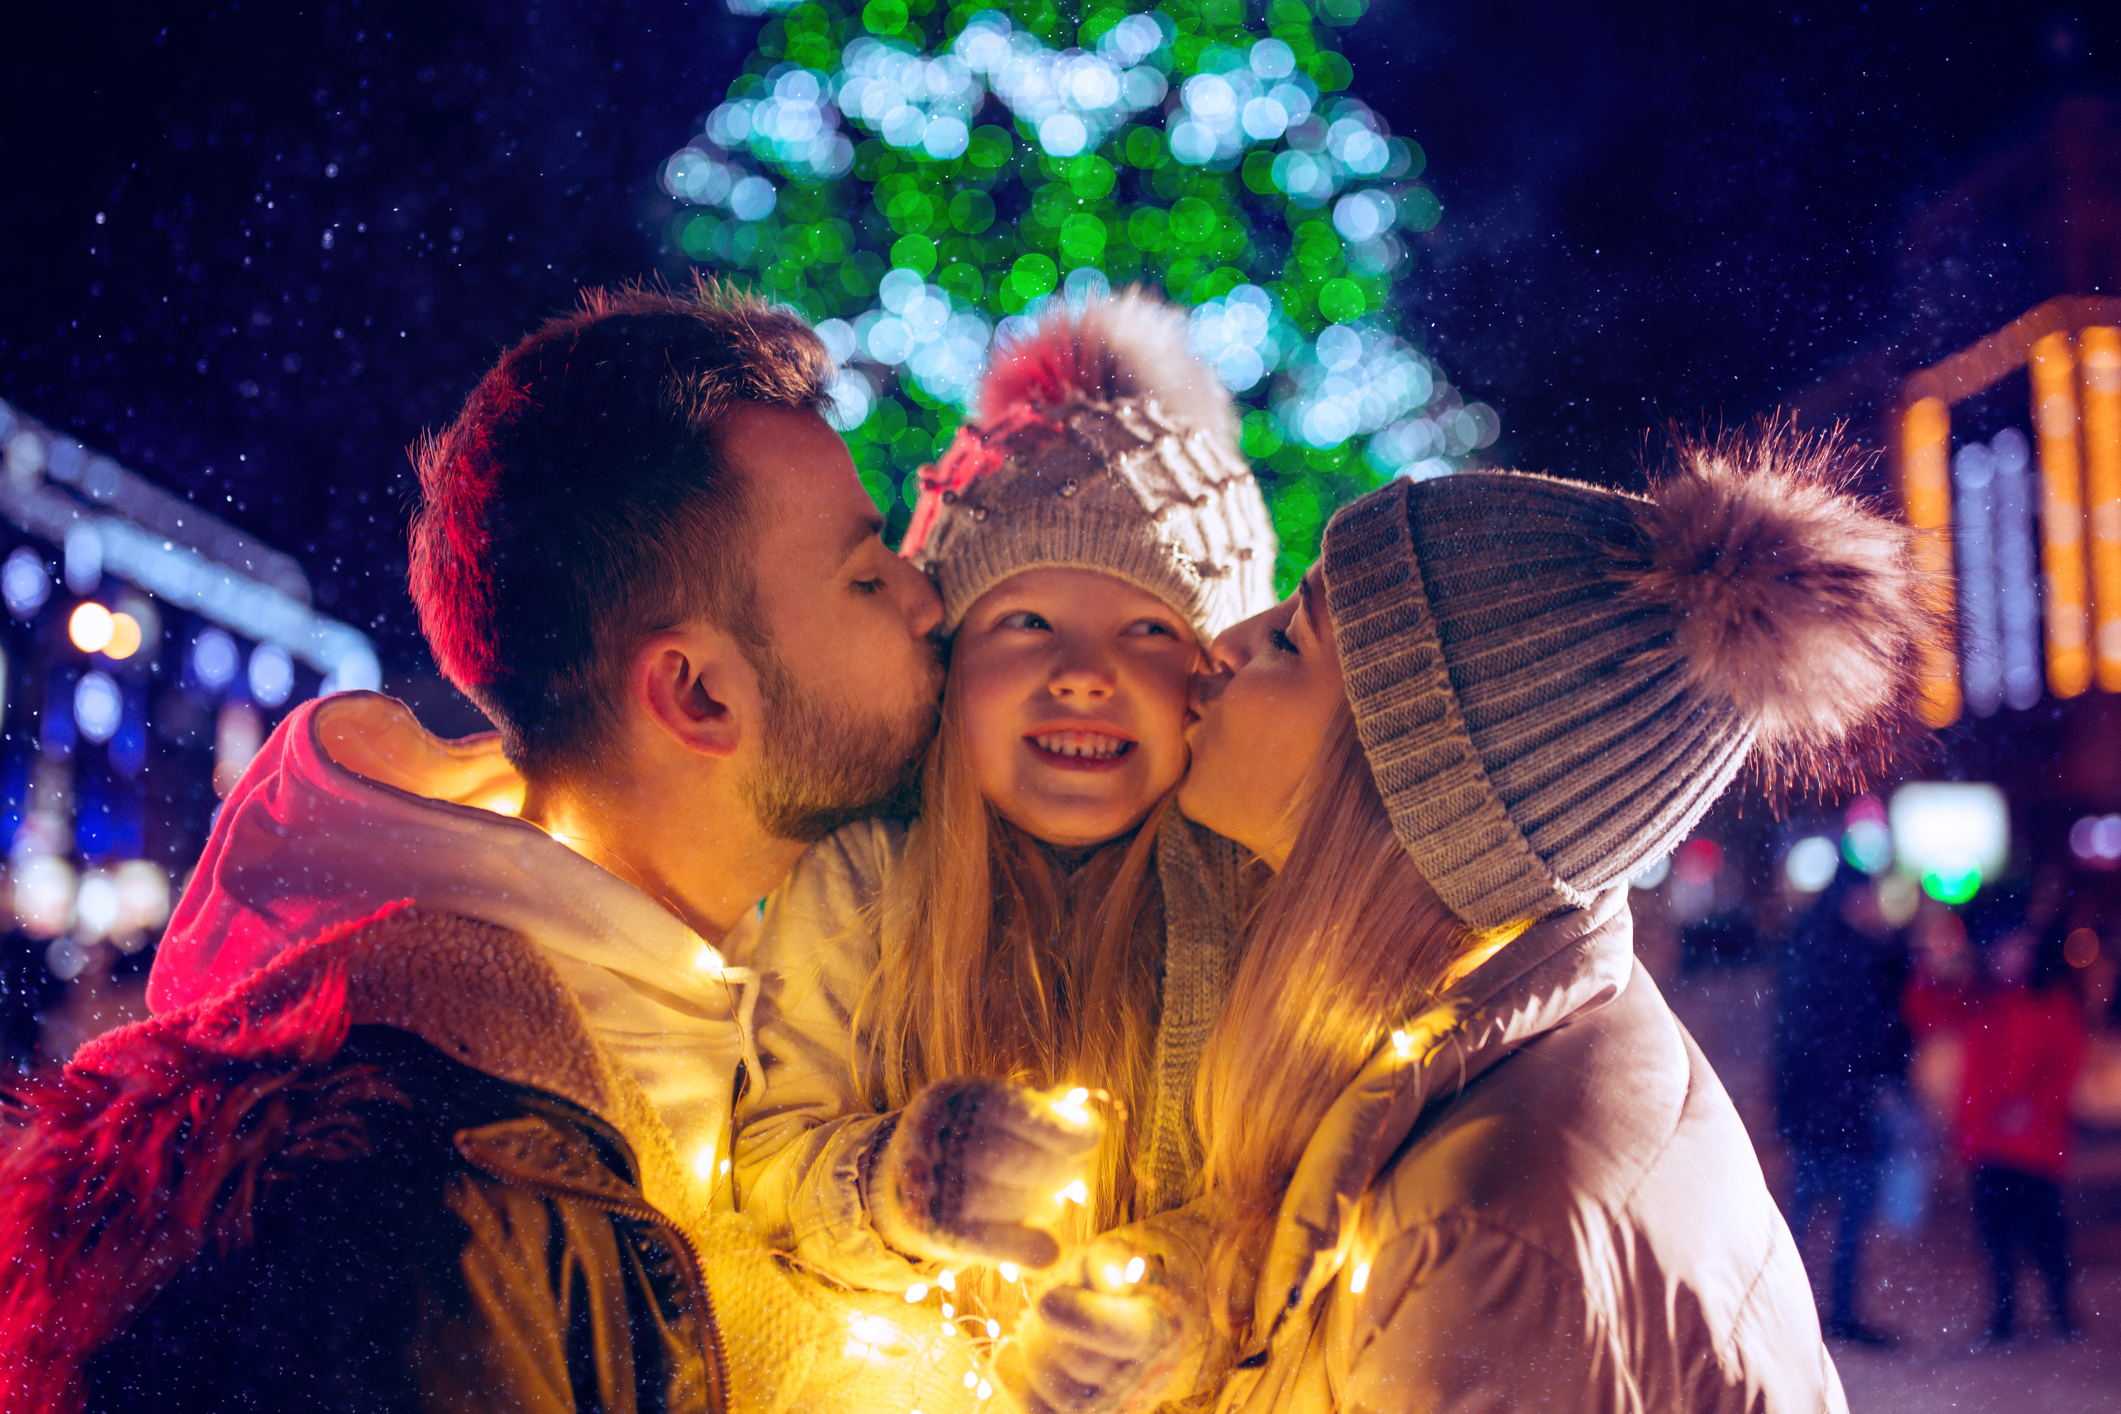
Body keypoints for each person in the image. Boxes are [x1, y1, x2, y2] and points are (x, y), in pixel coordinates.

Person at [0, 282, 945, 1414]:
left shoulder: (713, 1023)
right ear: (696, 692)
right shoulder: (426, 1187)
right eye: (864, 575)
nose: (927, 600)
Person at [1051, 436, 1925, 1412]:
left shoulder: (1492, 1251)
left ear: (1406, 783)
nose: (1230, 641)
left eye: (1295, 640)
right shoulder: (1462, 1071)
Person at [733, 290, 1278, 1410]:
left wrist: (1165, 1300)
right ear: (948, 660)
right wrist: (898, 1186)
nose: (1083, 670)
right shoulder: (862, 884)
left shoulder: (1257, 907)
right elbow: (769, 1163)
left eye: (1147, 629)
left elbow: (1294, 1190)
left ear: (1213, 681)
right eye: (1025, 622)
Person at [1908, 917, 2087, 1343]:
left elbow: (2065, 1063)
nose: (2013, 958)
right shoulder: (1977, 998)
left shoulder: (2052, 1001)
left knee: (2046, 1232)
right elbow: (1923, 1012)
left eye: (2022, 950)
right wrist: (1927, 966)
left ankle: (2061, 1311)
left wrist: (2032, 1107)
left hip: (2035, 1141)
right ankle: (2003, 1317)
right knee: (1995, 1236)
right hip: (1986, 1139)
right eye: (2006, 948)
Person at [1775, 862, 1912, 1347]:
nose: (1876, 908)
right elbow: (1863, 1037)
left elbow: (1793, 1041)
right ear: (1852, 901)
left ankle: (1801, 1314)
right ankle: (1825, 1314)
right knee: (1828, 1220)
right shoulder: (1847, 959)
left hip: (1829, 1112)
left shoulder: (1820, 951)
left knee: (1813, 1221)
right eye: (1869, 898)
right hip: (1840, 1112)